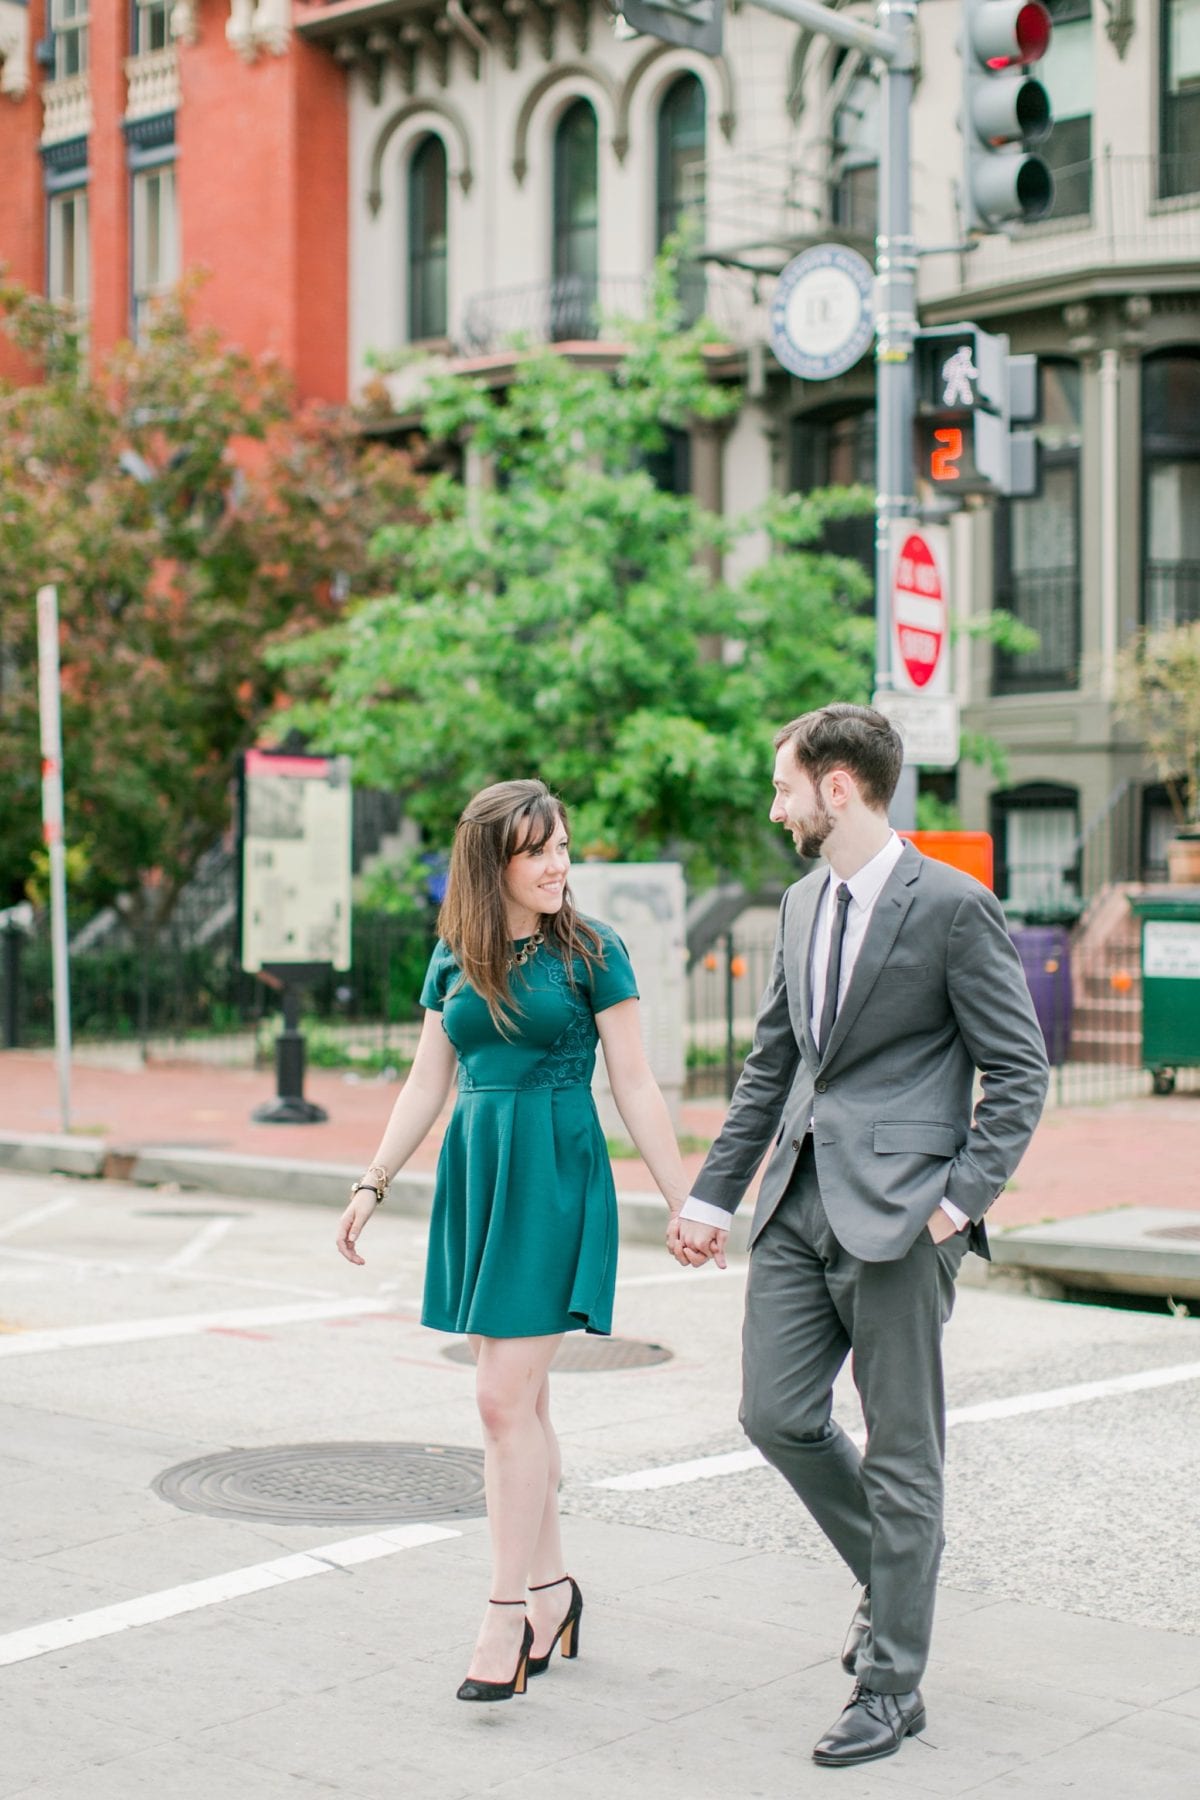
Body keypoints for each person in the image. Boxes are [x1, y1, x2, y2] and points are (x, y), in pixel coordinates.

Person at [670, 704, 1049, 1769]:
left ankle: (893, 1683)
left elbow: (1019, 1073)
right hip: (795, 1205)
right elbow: (773, 1064)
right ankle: (892, 1586)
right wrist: (711, 1197)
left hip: (901, 1220)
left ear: (839, 787)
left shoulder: (953, 905)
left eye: (785, 784)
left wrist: (956, 1203)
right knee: (774, 1413)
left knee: (904, 1452)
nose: (775, 803)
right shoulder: (797, 904)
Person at [337, 778, 689, 1703]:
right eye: (539, 851)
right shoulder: (455, 954)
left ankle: (503, 1611)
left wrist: (686, 1201)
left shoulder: (593, 951)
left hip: (554, 1175)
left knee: (499, 1398)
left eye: (565, 846)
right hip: (478, 1174)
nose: (559, 865)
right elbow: (426, 1082)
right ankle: (552, 1589)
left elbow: (638, 1086)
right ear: (491, 860)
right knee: (520, 1404)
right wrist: (372, 1181)